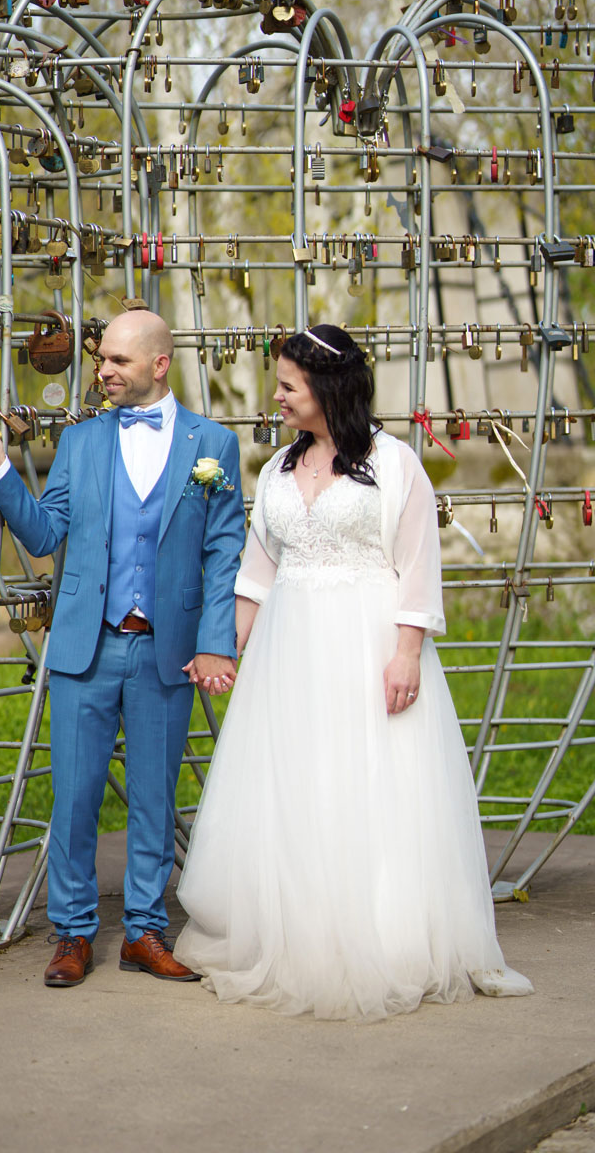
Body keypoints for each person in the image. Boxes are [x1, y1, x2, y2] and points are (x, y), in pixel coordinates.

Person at [175, 324, 533, 1020]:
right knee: (300, 783)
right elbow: (257, 574)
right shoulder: (277, 470)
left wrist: (407, 652)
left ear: (328, 387)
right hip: (290, 652)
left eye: (288, 386)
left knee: (370, 781)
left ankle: (385, 935)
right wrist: (224, 648)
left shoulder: (395, 463)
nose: (277, 397)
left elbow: (418, 564)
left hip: (368, 643)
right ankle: (302, 931)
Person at [0, 310, 246, 987]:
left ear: (158, 364)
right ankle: (73, 932)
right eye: (102, 359)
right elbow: (43, 535)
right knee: (75, 798)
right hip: (84, 648)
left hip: (165, 649)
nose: (104, 370)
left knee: (154, 800)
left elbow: (224, 548)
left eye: (119, 360)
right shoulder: (81, 441)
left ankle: (145, 931)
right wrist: (0, 467)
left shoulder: (213, 445)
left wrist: (215, 642)